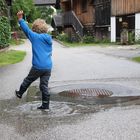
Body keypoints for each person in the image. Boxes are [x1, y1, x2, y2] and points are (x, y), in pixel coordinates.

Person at [15, 11, 52, 110]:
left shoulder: (35, 37)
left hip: (37, 66)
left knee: (28, 80)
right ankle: (45, 105)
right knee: (44, 86)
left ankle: (20, 93)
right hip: (48, 67)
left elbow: (26, 30)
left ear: (35, 29)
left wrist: (20, 19)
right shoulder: (48, 38)